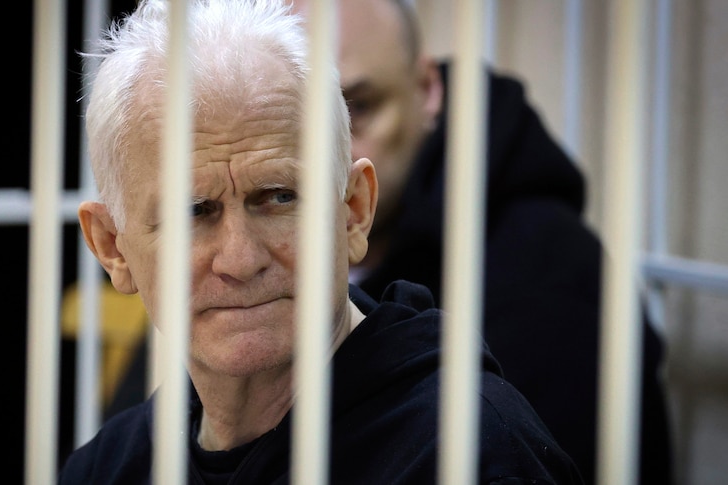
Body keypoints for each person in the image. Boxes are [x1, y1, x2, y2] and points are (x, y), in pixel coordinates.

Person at [58, 0, 585, 483]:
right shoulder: (107, 468)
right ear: (112, 247)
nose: (240, 259)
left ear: (354, 210)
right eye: (193, 211)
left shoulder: (470, 456)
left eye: (279, 197)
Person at [285, 1, 672, 484]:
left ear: (427, 90)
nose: (323, 151)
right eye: (289, 121)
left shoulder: (549, 280)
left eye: (356, 107)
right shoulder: (247, 254)